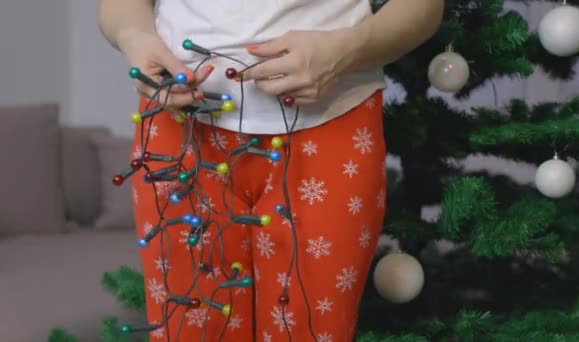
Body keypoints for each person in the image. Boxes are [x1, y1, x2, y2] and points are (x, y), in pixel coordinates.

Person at [97, 0, 444, 341]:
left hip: (334, 127)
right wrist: (135, 37)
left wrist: (347, 49)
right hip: (180, 133)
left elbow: (423, 7)